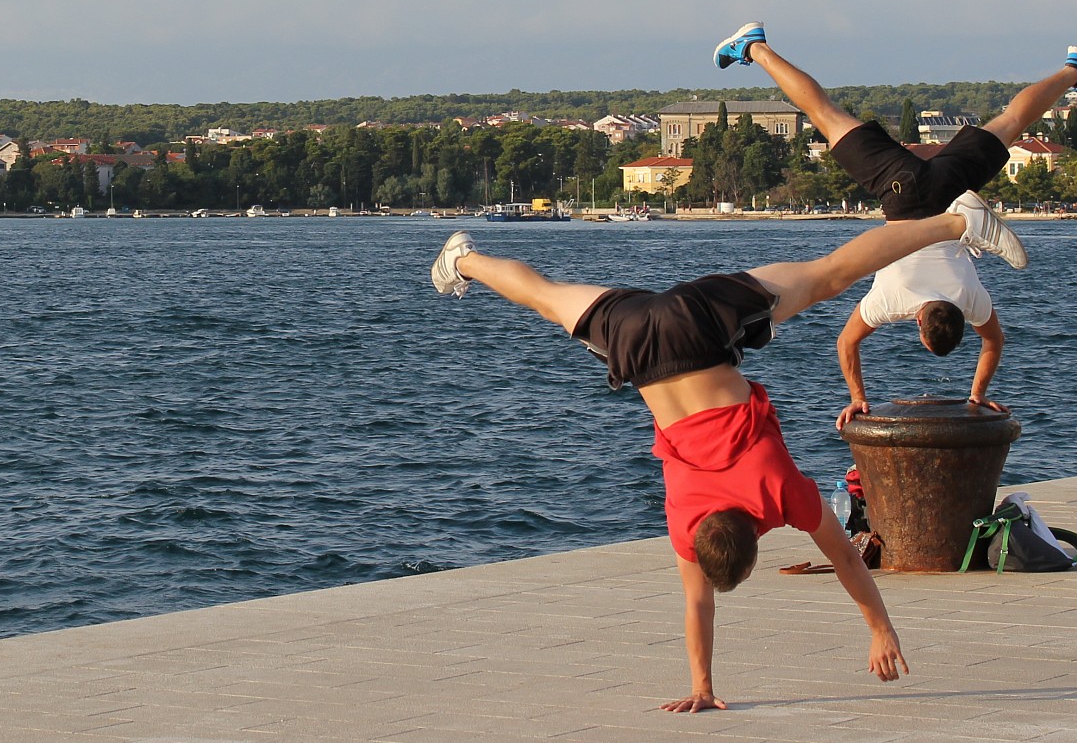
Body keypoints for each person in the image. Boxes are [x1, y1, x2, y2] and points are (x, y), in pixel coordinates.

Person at [427, 194, 1024, 711]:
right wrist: (701, 686)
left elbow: (846, 560)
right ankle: (463, 260)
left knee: (830, 276)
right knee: (545, 297)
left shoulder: (776, 495)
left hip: (703, 330)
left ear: (756, 539)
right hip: (638, 341)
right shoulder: (688, 523)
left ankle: (955, 224)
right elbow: (696, 605)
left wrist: (881, 630)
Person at [714, 20, 1077, 238]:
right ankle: (754, 48)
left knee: (1011, 122)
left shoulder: (968, 298)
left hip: (948, 190)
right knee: (822, 112)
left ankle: (1075, 70)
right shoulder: (892, 299)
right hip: (903, 195)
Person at [833, 197, 1009, 428]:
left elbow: (994, 339)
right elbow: (846, 342)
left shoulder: (969, 297)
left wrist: (979, 393)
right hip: (899, 209)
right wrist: (858, 399)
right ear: (917, 320)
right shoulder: (891, 300)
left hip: (946, 208)